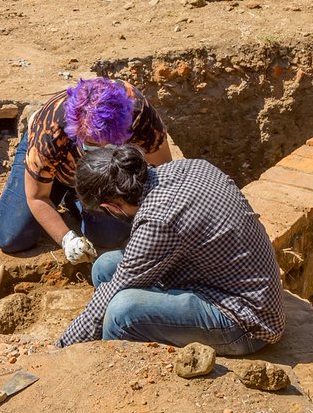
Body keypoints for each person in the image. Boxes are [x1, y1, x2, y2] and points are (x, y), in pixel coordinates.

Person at [57, 145, 285, 355]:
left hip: (247, 321)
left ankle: (108, 374)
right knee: (105, 267)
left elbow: (113, 292)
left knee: (120, 313)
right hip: (222, 282)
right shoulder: (187, 167)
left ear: (111, 206)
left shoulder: (158, 220)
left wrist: (60, 350)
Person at [0, 78, 173, 263]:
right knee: (11, 237)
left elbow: (163, 172)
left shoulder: (139, 112)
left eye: (110, 144)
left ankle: (76, 199)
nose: (101, 151)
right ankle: (66, 192)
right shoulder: (51, 128)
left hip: (106, 178)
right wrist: (66, 239)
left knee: (109, 236)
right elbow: (36, 196)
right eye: (93, 144)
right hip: (58, 171)